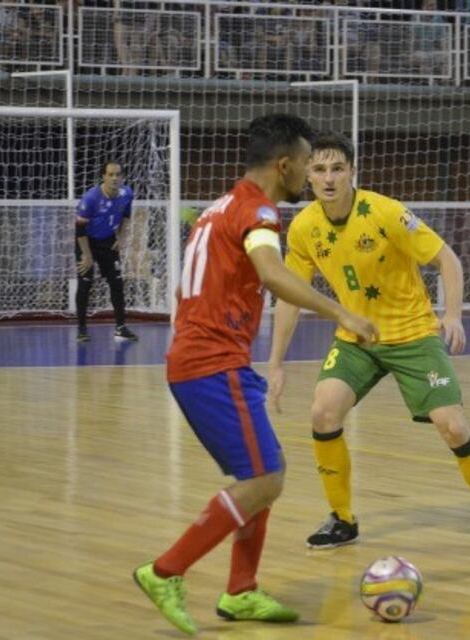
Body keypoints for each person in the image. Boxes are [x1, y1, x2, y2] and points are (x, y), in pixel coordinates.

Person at [132, 115, 378, 635]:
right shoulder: (260, 211)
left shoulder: (220, 207)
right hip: (211, 363)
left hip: (207, 358)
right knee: (265, 478)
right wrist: (343, 313)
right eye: (307, 163)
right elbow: (271, 272)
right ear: (285, 165)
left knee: (264, 473)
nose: (311, 173)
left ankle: (241, 591)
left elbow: (195, 285)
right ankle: (166, 571)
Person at [266, 133, 470, 552]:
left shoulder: (386, 212)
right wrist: (275, 362)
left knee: (453, 428)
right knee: (323, 413)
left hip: (414, 334)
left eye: (337, 169)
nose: (328, 178)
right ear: (307, 174)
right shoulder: (305, 228)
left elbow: (447, 259)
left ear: (352, 172)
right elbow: (290, 296)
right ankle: (342, 520)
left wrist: (452, 315)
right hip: (358, 339)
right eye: (320, 169)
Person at [74, 160, 138, 342]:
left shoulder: (127, 193)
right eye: (110, 174)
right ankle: (82, 329)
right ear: (103, 176)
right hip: (86, 242)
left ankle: (121, 328)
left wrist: (122, 236)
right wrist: (87, 255)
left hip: (109, 242)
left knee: (117, 283)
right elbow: (79, 229)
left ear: (122, 177)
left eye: (118, 174)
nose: (114, 178)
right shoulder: (91, 199)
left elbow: (126, 215)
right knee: (85, 284)